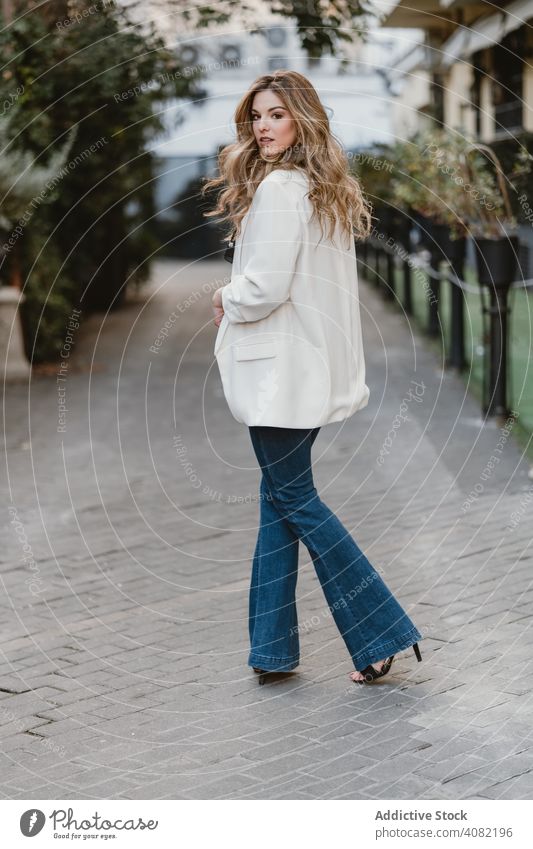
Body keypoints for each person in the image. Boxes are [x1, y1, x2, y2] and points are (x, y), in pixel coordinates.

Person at [203, 70, 422, 685]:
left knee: (292, 498)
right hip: (301, 370)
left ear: (303, 118)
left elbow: (266, 286)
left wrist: (225, 295)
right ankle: (271, 649)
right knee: (280, 501)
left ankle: (380, 631)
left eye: (276, 114)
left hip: (280, 374)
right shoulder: (321, 191)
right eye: (256, 116)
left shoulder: (281, 190)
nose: (262, 127)